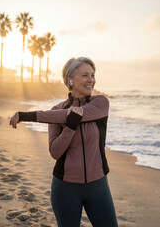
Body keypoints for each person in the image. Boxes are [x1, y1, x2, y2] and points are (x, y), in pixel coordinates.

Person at [10, 57, 118, 227]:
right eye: (84, 75)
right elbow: (55, 152)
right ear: (70, 80)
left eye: (92, 75)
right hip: (65, 188)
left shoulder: (100, 103)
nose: (91, 80)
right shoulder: (56, 110)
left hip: (98, 186)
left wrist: (25, 115)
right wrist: (70, 127)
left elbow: (70, 114)